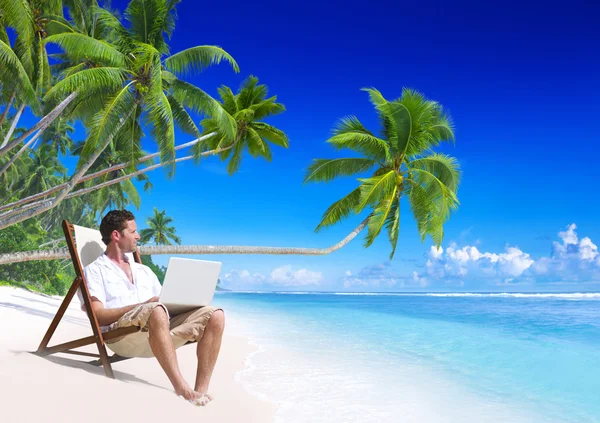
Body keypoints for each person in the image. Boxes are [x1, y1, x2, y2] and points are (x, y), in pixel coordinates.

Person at [83, 209, 224, 406]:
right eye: (133, 232)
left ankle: (201, 390)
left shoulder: (144, 271)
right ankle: (181, 387)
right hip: (121, 336)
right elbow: (97, 315)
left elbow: (163, 302)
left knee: (215, 315)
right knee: (156, 309)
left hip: (157, 331)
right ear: (116, 235)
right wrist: (145, 305)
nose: (138, 236)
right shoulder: (95, 270)